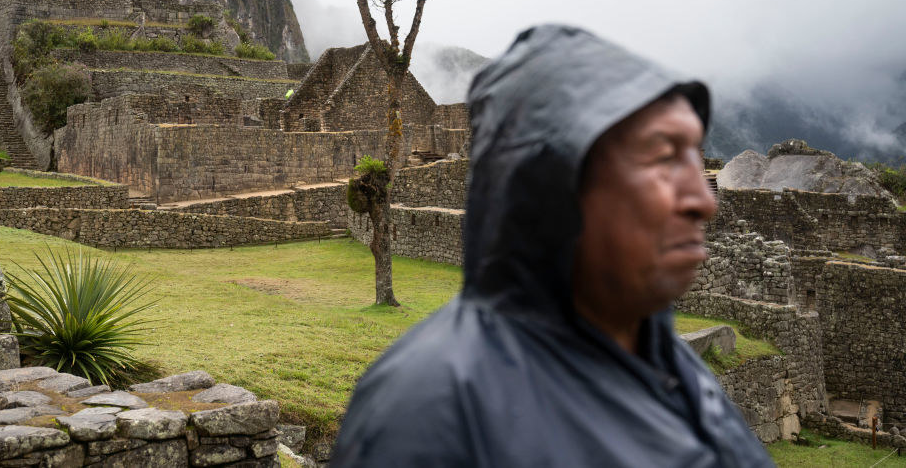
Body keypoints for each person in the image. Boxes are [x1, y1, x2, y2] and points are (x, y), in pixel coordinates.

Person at [330, 25, 773, 467]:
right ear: (549, 183)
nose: (702, 200)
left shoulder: (673, 367)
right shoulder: (430, 414)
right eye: (662, 158)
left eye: (695, 156)